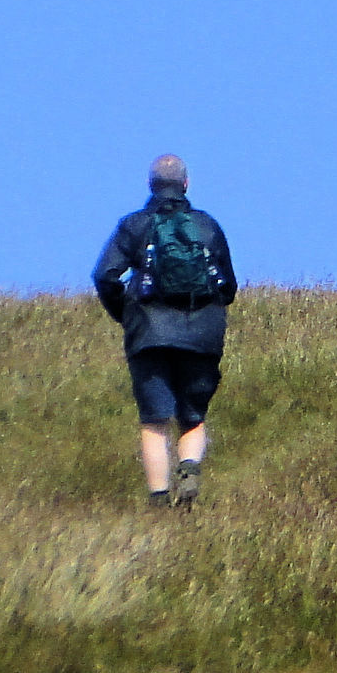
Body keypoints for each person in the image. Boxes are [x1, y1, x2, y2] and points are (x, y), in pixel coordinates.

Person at [94, 155, 238, 510]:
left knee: (154, 420)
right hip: (202, 335)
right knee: (194, 416)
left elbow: (105, 276)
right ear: (186, 184)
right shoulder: (207, 227)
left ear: (150, 186)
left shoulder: (133, 225)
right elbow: (229, 287)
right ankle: (189, 469)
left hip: (149, 335)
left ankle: (158, 503)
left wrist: (126, 315)